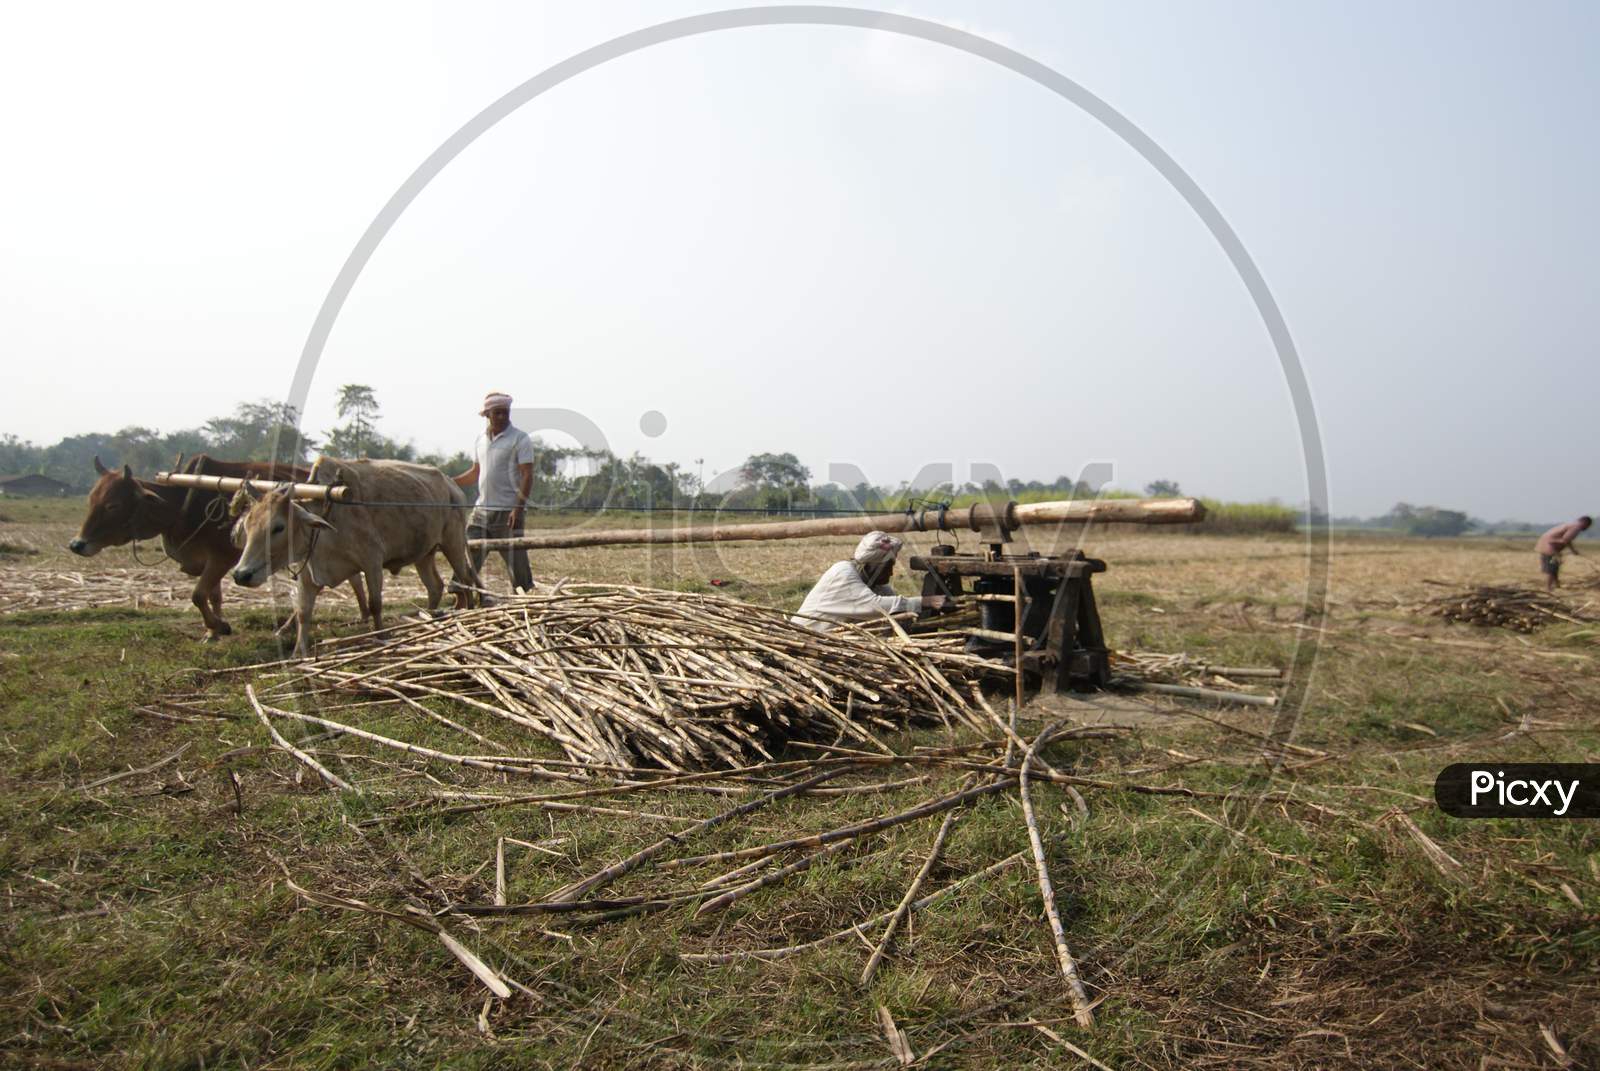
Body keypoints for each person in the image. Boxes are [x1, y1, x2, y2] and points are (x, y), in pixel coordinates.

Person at [453, 392, 535, 594]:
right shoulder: (480, 439)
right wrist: (447, 482)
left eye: (505, 412)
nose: (502, 417)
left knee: (516, 560)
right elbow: (475, 473)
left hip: (508, 511)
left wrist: (518, 508)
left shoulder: (520, 438)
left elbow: (527, 475)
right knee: (469, 554)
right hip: (481, 510)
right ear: (487, 414)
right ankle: (460, 595)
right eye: (497, 413)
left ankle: (525, 596)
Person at [791, 531, 952, 632]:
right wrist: (929, 601)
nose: (890, 573)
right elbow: (877, 606)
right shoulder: (843, 572)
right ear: (873, 565)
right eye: (887, 567)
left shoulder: (876, 586)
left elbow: (897, 609)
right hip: (804, 638)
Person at [1535, 515, 1591, 591]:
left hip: (1547, 545)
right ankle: (1548, 588)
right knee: (1552, 568)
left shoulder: (1571, 525)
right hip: (1550, 547)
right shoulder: (1576, 527)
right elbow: (1566, 539)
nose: (1587, 528)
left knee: (1555, 566)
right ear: (1585, 523)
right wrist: (1573, 550)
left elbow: (1565, 539)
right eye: (1588, 526)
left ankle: (1557, 585)